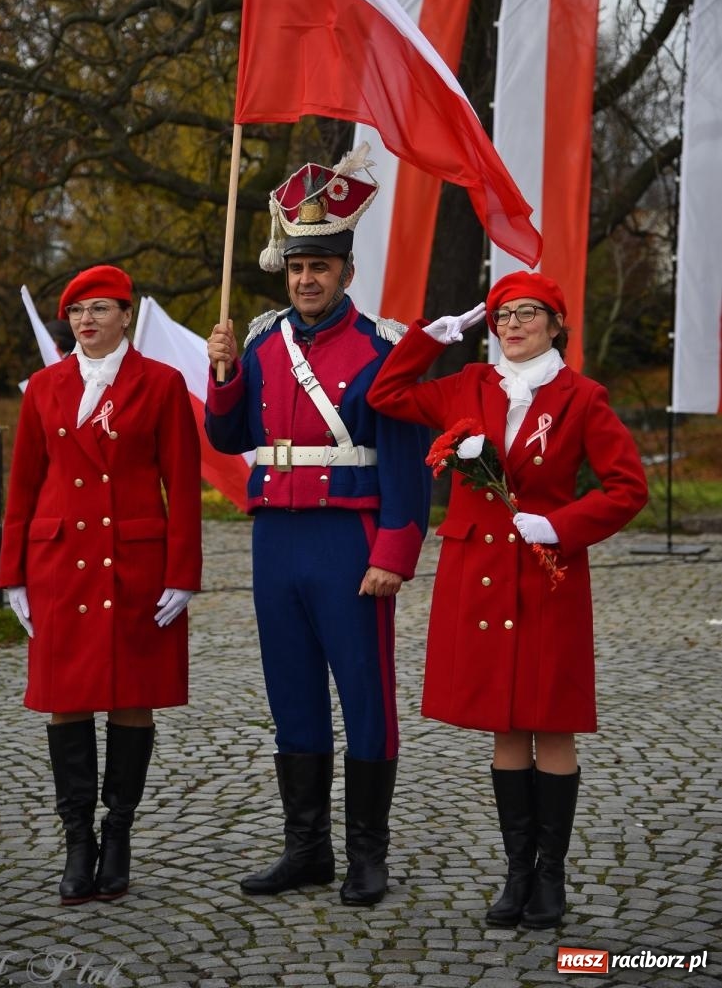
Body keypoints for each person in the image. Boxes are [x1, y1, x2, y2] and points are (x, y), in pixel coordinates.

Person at [367, 271, 648, 929]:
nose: (513, 324)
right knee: (504, 724)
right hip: (481, 576)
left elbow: (625, 487)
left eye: (528, 313)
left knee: (550, 720)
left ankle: (548, 879)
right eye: (502, 315)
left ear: (555, 325)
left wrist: (562, 523)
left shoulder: (581, 397)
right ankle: (514, 874)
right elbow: (386, 393)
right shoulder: (468, 385)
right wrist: (428, 338)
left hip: (546, 576)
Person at [206, 148, 431, 906]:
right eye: (298, 266)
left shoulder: (380, 349)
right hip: (276, 540)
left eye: (322, 266)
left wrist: (394, 553)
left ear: (346, 272)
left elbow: (406, 463)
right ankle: (305, 849)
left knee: (365, 697)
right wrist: (226, 373)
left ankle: (368, 855)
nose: (307, 279)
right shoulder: (264, 343)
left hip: (348, 542)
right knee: (291, 695)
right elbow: (230, 438)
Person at [0, 264, 202, 905]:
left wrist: (184, 573)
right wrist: (13, 576)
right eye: (78, 311)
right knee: (68, 696)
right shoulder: (44, 387)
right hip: (60, 564)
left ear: (125, 314)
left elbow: (183, 484)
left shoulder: (160, 384)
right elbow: (24, 484)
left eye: (101, 309)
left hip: (133, 563)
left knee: (131, 697)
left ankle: (118, 836)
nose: (87, 321)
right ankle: (77, 841)